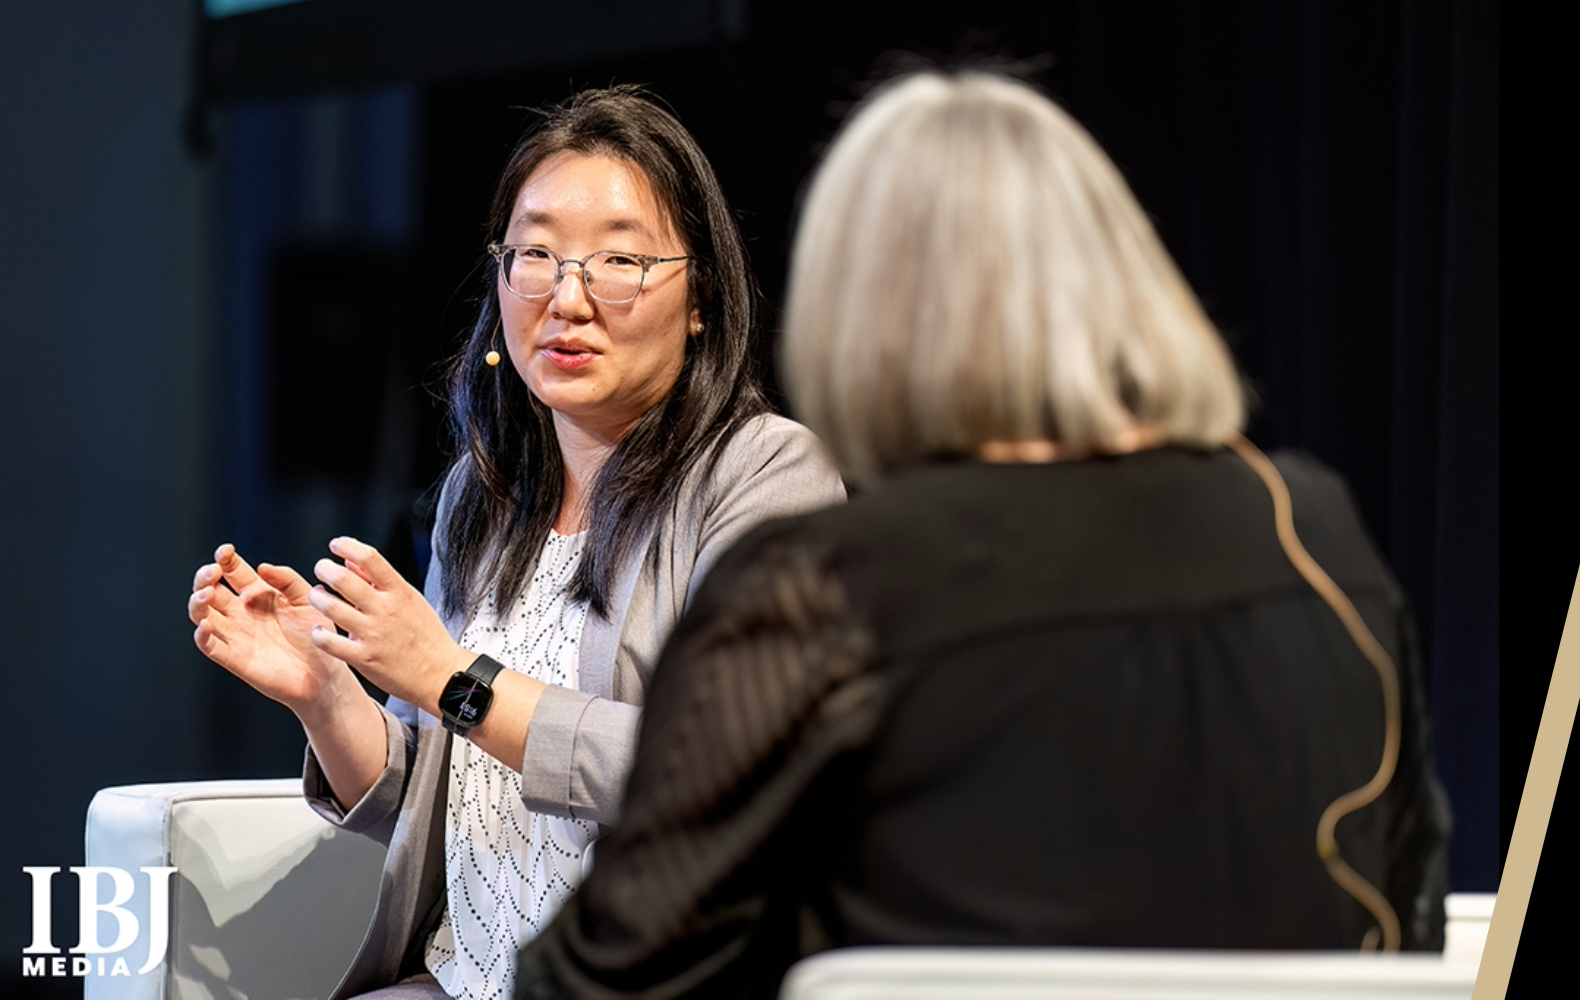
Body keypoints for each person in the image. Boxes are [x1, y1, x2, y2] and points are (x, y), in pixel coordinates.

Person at [512, 71, 1452, 999]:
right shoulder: (1318, 533)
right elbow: (1408, 913)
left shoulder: (818, 586)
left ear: (860, 317)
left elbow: (596, 979)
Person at [186, 86, 845, 1000]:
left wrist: (452, 679)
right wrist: (326, 693)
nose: (568, 298)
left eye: (619, 259)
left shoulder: (763, 475)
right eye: (535, 254)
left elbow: (735, 771)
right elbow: (443, 800)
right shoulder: (483, 498)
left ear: (701, 299)